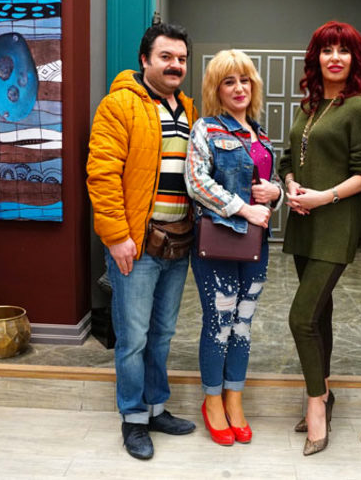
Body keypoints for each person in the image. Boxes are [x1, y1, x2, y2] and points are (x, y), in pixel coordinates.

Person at [86, 23, 198, 460]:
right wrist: (116, 237)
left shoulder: (189, 109)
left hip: (178, 243)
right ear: (145, 60)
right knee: (133, 337)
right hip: (136, 244)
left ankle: (156, 408)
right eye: (166, 57)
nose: (175, 65)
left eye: (181, 59)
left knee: (163, 333)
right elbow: (102, 175)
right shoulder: (119, 105)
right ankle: (133, 419)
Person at [278, 21, 361, 456]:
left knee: (300, 318)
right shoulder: (309, 107)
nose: (335, 57)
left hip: (335, 226)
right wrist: (290, 186)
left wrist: (324, 197)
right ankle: (326, 391)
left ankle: (316, 402)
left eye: (344, 50)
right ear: (315, 58)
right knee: (319, 316)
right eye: (327, 50)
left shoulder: (359, 108)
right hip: (304, 223)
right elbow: (288, 158)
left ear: (355, 60)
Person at [185, 50, 283, 446]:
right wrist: (244, 209)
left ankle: (234, 399)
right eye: (229, 81)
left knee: (243, 325)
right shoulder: (205, 129)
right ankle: (212, 401)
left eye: (244, 80)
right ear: (216, 89)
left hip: (255, 245)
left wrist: (275, 193)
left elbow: (268, 185)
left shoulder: (261, 135)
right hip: (219, 243)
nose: (239, 88)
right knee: (219, 323)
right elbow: (197, 183)